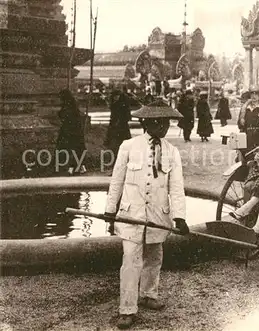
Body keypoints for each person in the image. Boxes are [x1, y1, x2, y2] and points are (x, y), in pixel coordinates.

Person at [104, 99, 189, 329]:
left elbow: (176, 187)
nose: (163, 127)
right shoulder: (128, 147)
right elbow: (117, 181)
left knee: (154, 256)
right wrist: (110, 211)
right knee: (130, 260)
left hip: (158, 216)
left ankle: (149, 294)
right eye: (158, 122)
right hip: (132, 214)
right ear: (147, 122)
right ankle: (127, 309)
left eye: (166, 123)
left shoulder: (172, 152)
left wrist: (179, 216)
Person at [56, 89, 87, 175]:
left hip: (69, 131)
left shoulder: (67, 106)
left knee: (69, 149)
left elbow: (64, 115)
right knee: (76, 149)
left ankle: (72, 168)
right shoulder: (73, 105)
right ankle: (79, 167)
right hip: (75, 131)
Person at [237, 86, 259, 153]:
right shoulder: (245, 108)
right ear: (249, 95)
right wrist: (242, 122)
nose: (254, 96)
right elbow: (239, 125)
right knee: (246, 158)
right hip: (247, 137)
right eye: (252, 94)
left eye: (256, 94)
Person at [104, 89, 132, 161]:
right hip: (115, 124)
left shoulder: (122, 104)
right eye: (114, 96)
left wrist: (119, 121)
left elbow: (126, 114)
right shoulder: (115, 103)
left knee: (122, 140)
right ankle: (115, 156)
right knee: (115, 141)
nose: (116, 97)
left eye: (117, 96)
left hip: (121, 124)